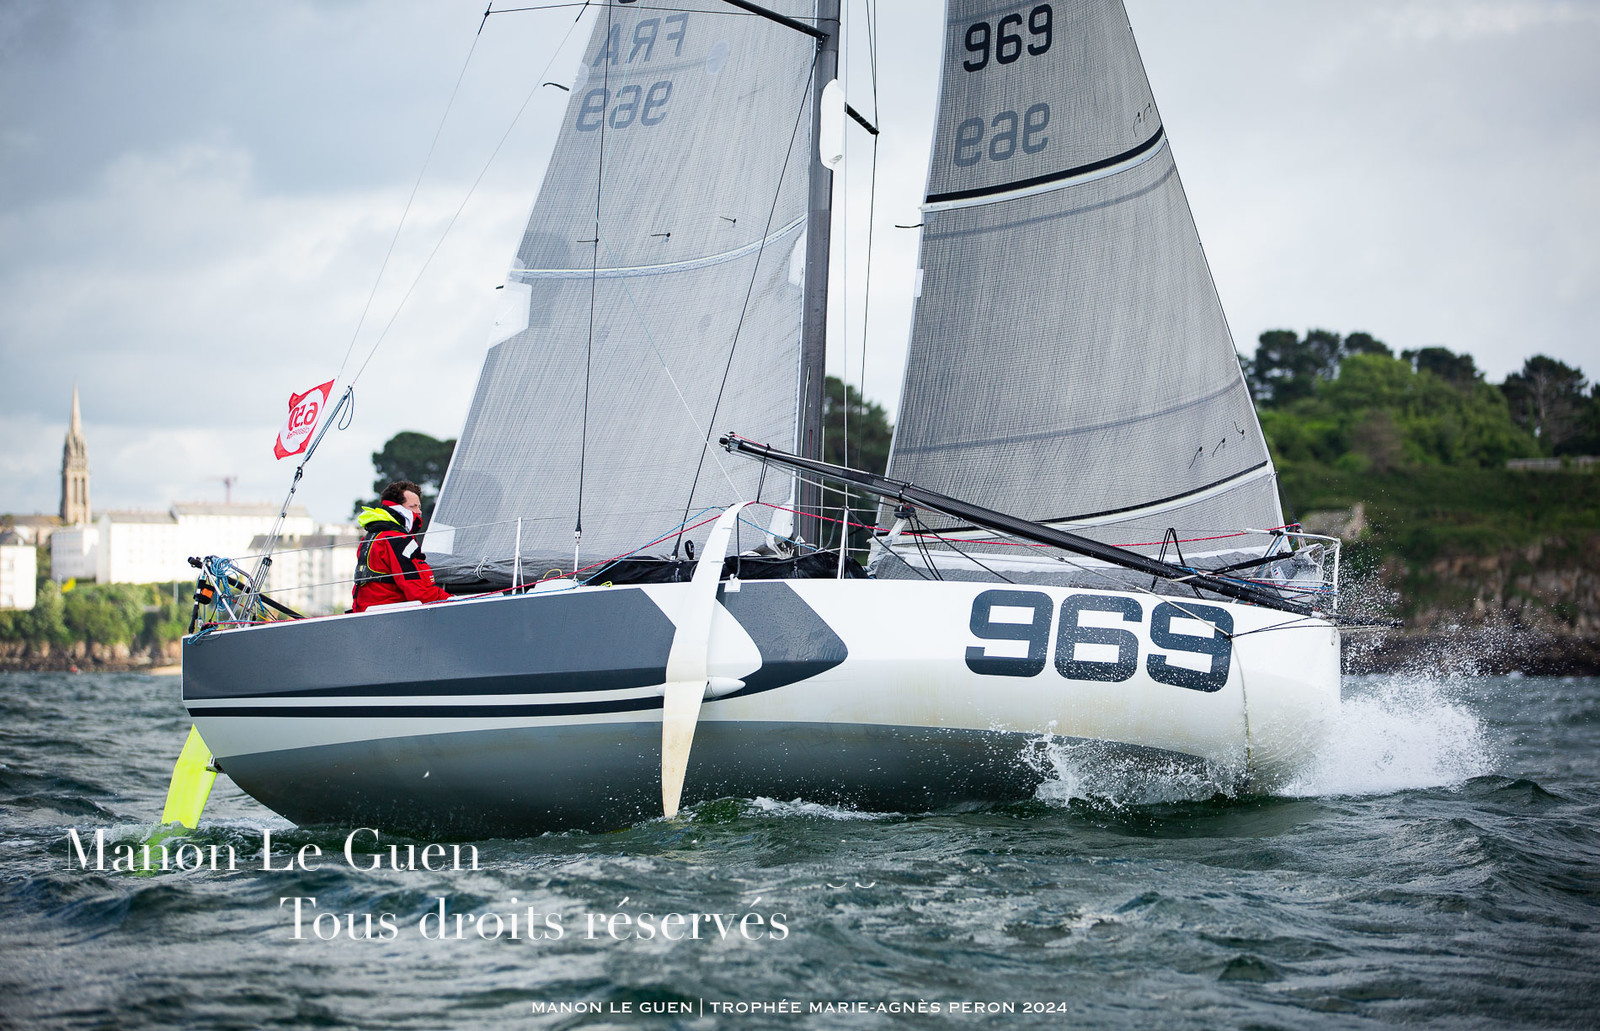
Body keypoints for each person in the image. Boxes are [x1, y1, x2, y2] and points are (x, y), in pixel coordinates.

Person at [351, 480, 453, 612]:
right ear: (398, 509)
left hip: (367, 613)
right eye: (413, 507)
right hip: (394, 615)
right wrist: (452, 600)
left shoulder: (370, 538)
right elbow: (419, 591)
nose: (419, 512)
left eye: (419, 507)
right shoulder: (399, 540)